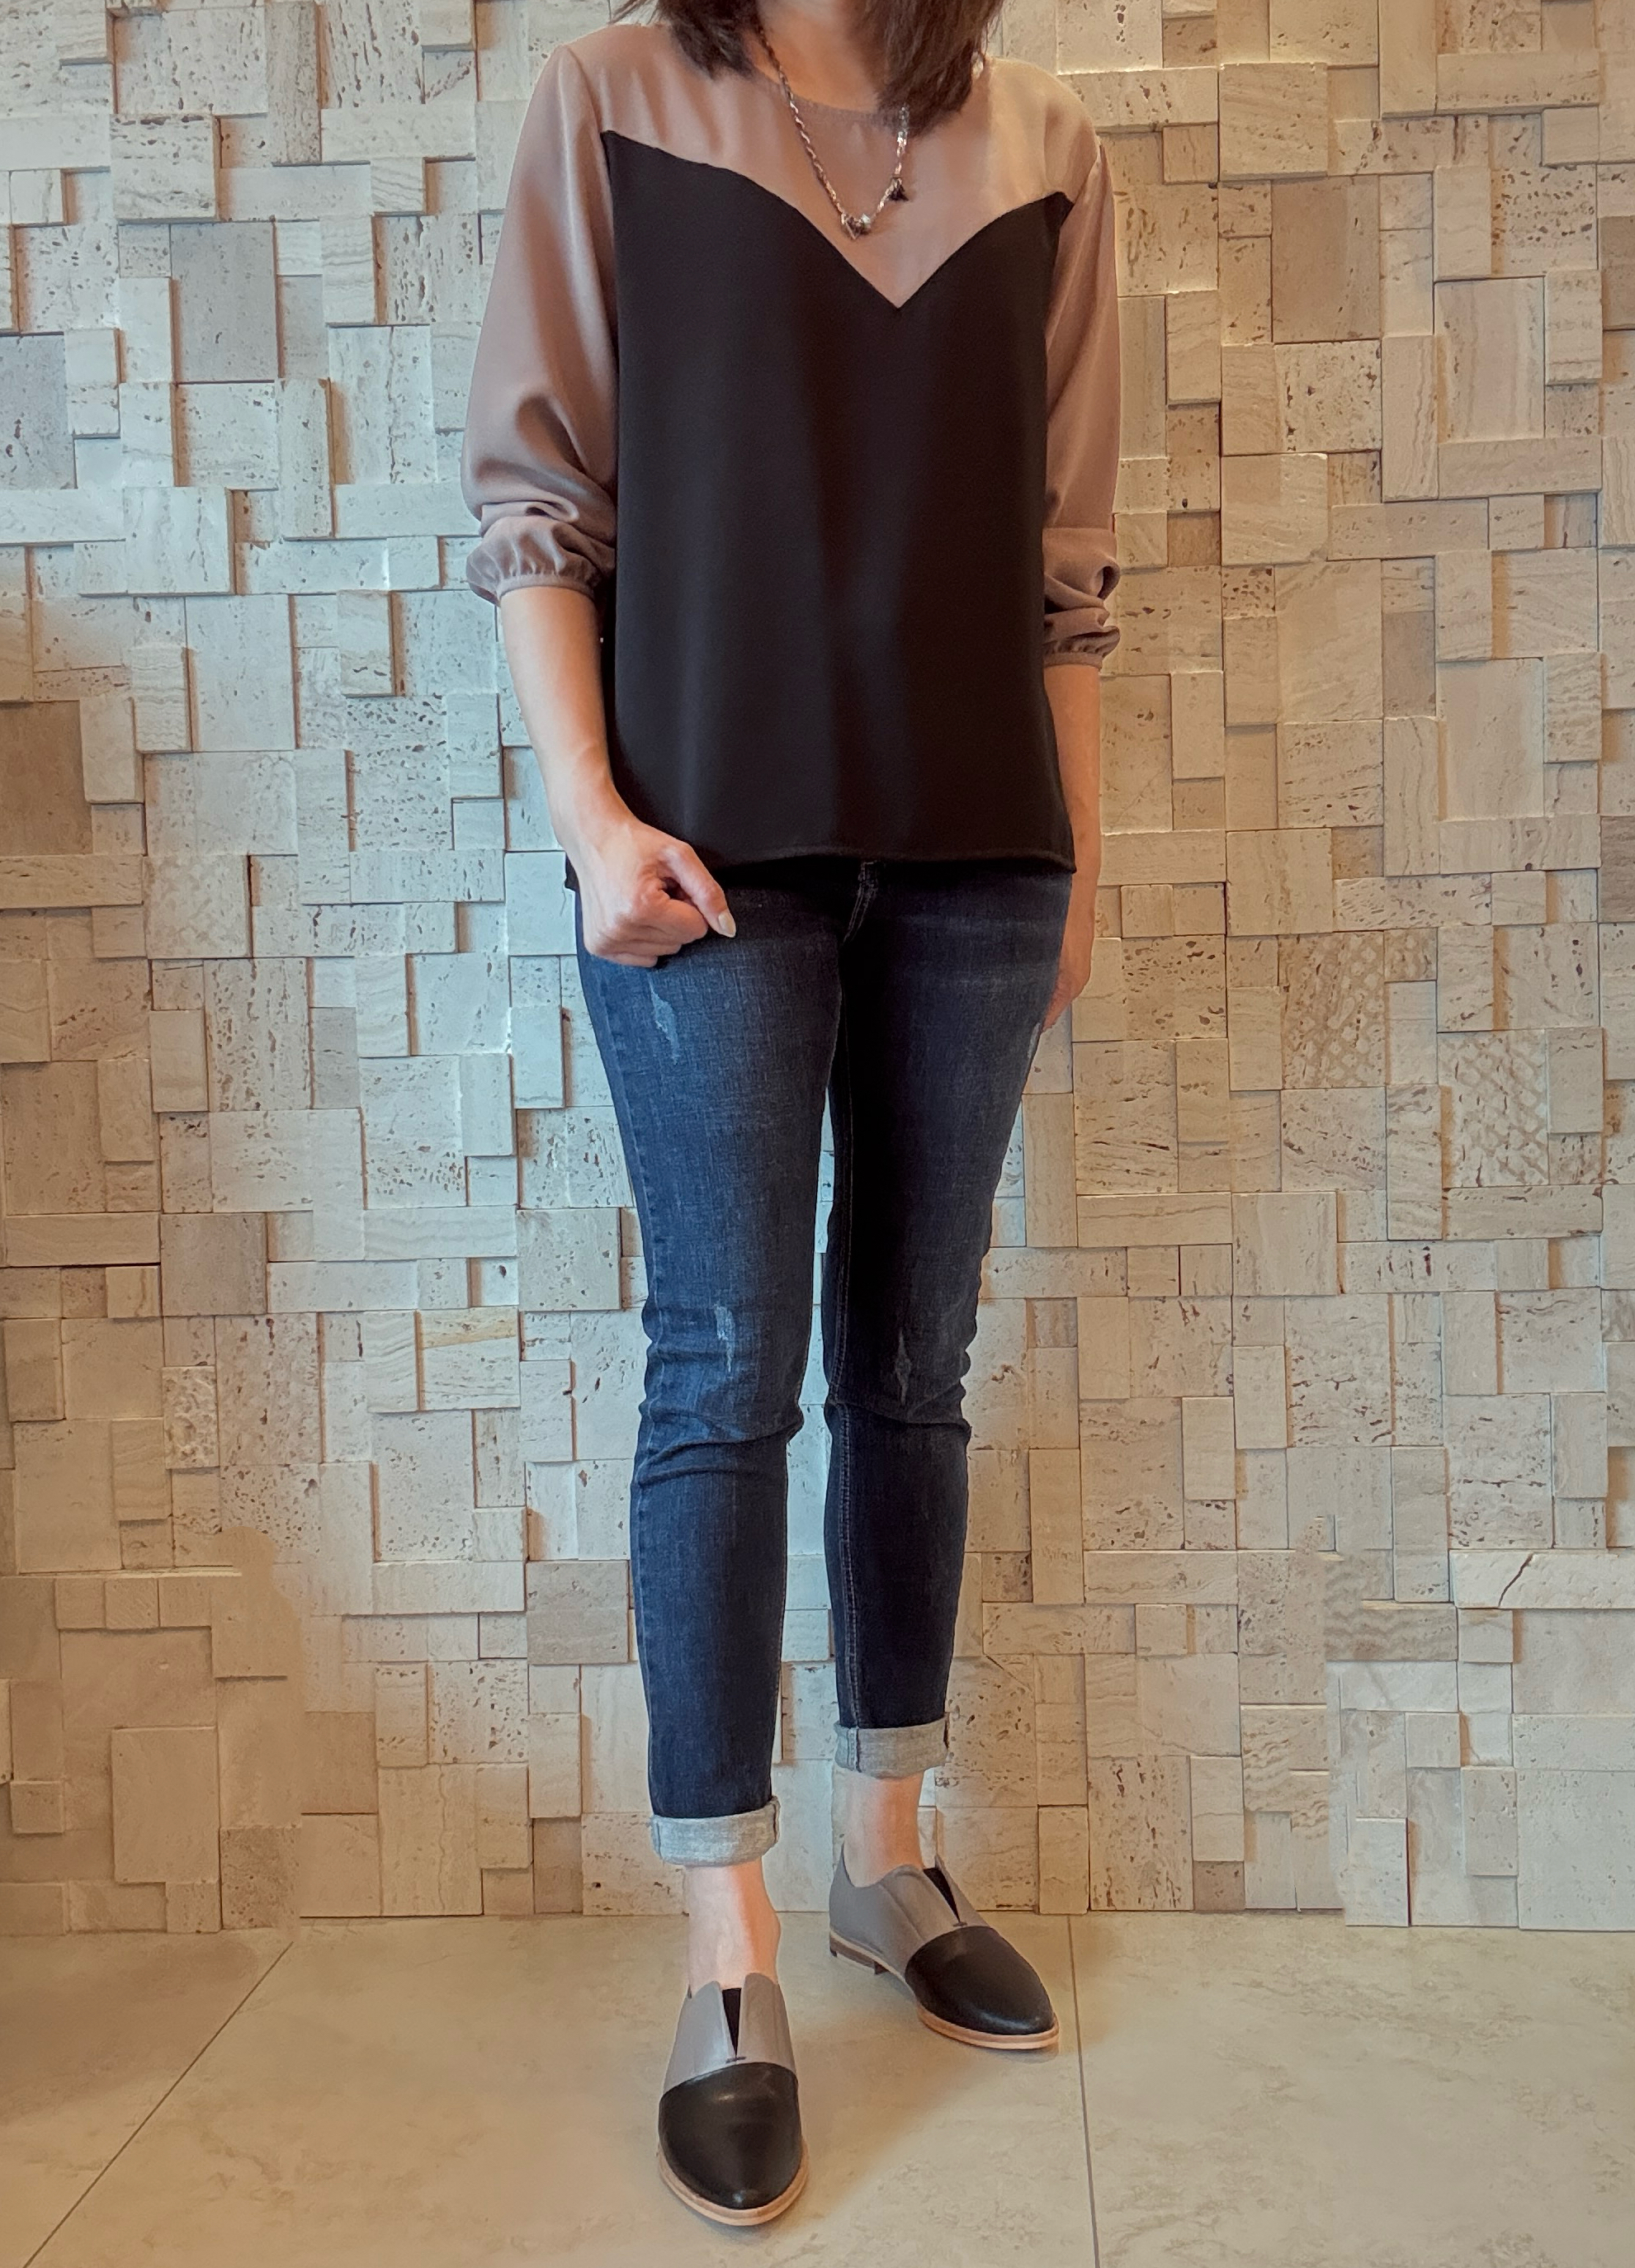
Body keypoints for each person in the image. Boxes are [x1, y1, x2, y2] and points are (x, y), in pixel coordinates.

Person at [460, 0, 1121, 2227]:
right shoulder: (613, 102)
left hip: (979, 854)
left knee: (914, 1360)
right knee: (726, 1366)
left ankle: (887, 1856)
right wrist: (587, 818)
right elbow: (537, 504)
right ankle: (726, 1947)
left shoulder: (1047, 144)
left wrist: (1075, 863)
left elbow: (1071, 566)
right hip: (700, 855)